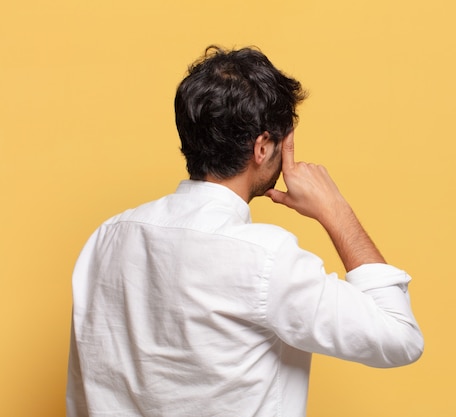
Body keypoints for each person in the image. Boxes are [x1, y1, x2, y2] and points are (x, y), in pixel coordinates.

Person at [66, 45, 424, 417]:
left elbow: (87, 385)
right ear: (263, 147)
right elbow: (400, 337)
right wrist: (335, 210)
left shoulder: (106, 237)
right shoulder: (266, 258)